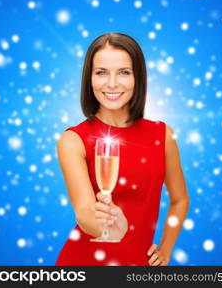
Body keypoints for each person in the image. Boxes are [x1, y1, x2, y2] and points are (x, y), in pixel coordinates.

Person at [55, 32, 189, 266]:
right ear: (89, 78)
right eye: (101, 73)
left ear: (138, 77)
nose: (113, 83)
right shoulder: (73, 140)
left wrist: (165, 250)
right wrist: (112, 228)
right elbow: (85, 211)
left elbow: (180, 200)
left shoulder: (163, 135)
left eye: (124, 72)